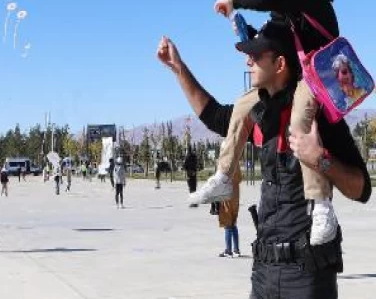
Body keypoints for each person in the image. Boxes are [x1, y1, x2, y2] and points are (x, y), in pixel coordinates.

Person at [157, 25, 371, 298]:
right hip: (264, 271)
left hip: (307, 275)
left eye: (257, 56)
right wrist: (177, 67)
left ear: (280, 64)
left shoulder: (318, 117)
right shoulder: (258, 115)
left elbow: (361, 189)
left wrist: (321, 159)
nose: (249, 61)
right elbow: (214, 117)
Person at [201, 0, 345, 247]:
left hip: (320, 71)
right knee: (242, 106)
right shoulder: (283, 5)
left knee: (299, 121)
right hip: (298, 72)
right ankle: (224, 176)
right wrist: (245, 34)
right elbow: (273, 40)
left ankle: (321, 205)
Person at [217, 169, 242, 258]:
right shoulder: (236, 163)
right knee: (233, 223)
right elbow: (239, 178)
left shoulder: (225, 163)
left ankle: (228, 250)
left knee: (227, 223)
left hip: (227, 195)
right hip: (235, 195)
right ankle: (236, 250)